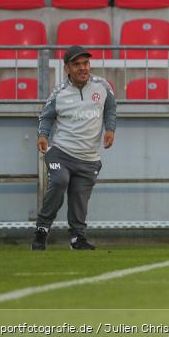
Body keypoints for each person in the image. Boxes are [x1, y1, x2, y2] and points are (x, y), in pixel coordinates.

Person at [32, 46, 116, 251]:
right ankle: (42, 230)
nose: (82, 68)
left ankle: (77, 238)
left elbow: (110, 108)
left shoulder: (102, 87)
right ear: (67, 68)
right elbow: (47, 116)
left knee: (80, 197)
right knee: (60, 181)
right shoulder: (59, 93)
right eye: (77, 64)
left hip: (89, 157)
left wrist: (110, 129)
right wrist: (43, 135)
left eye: (85, 63)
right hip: (61, 152)